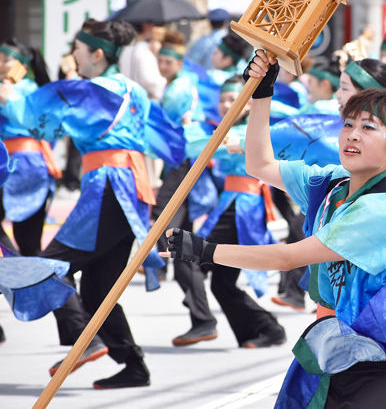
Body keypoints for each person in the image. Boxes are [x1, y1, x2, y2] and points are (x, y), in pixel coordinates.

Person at [162, 50, 386, 409]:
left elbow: (286, 256)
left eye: (368, 127)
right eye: (348, 124)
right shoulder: (332, 184)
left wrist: (205, 251)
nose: (352, 135)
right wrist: (262, 94)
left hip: (384, 362)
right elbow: (259, 164)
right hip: (331, 350)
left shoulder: (381, 212)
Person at [0, 19, 160, 388]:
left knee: (51, 264)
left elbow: (42, 114)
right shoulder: (132, 89)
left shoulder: (99, 89)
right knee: (98, 289)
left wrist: (13, 98)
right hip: (128, 187)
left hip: (111, 185)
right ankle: (133, 365)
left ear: (98, 54)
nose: (73, 55)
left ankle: (85, 339)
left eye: (78, 49)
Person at [181, 75, 288, 348]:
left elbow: (201, 147)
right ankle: (266, 328)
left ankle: (203, 320)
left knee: (190, 256)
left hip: (244, 206)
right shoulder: (233, 128)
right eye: (222, 99)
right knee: (221, 282)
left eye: (233, 99)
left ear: (250, 104)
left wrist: (189, 129)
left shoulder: (244, 133)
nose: (226, 104)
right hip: (231, 202)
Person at [153, 30, 220, 346]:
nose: (163, 65)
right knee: (178, 244)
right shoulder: (181, 84)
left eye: (168, 61)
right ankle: (201, 317)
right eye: (160, 60)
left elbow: (164, 128)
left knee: (167, 231)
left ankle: (202, 316)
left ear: (179, 62)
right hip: (185, 161)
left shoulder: (179, 88)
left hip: (183, 162)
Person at [0, 38, 61, 257]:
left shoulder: (20, 90)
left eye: (6, 59)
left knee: (28, 242)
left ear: (22, 66)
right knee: (28, 242)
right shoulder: (30, 90)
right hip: (25, 164)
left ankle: (22, 273)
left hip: (23, 165)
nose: (0, 63)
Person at [118, 22, 166, 100]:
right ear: (145, 25)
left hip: (126, 96)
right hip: (142, 101)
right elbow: (151, 81)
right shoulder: (144, 49)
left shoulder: (126, 47)